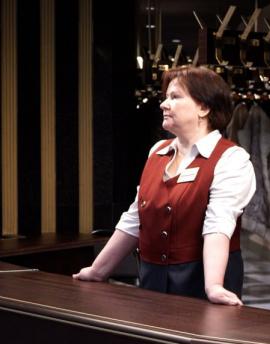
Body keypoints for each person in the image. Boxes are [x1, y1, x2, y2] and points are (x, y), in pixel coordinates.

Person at [74, 66, 256, 306]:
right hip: (152, 280)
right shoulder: (157, 151)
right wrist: (98, 270)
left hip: (201, 282)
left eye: (175, 97)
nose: (163, 104)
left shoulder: (231, 159)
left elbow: (218, 225)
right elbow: (135, 217)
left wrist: (213, 286)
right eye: (166, 97)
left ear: (204, 108)